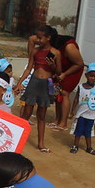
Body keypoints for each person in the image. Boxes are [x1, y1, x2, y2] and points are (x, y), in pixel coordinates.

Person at [26, 30, 84, 130]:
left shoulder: (69, 47)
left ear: (48, 39)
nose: (39, 41)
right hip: (58, 67)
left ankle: (63, 123)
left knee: (64, 92)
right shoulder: (46, 41)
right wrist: (32, 58)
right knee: (57, 93)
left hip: (73, 69)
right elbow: (31, 39)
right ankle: (57, 120)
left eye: (41, 39)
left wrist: (64, 74)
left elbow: (79, 64)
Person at [18, 25, 61, 153]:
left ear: (48, 38)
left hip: (45, 84)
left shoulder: (56, 53)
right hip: (34, 82)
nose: (37, 39)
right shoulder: (35, 51)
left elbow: (58, 71)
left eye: (40, 37)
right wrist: (20, 82)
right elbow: (29, 68)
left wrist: (52, 66)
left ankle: (41, 143)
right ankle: (18, 137)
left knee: (41, 115)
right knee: (26, 112)